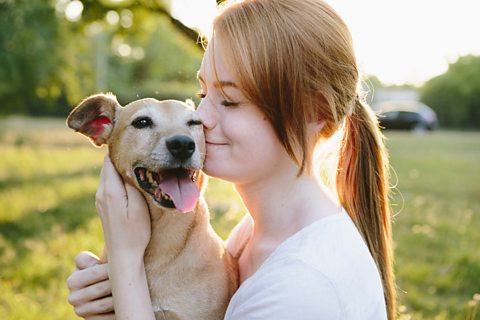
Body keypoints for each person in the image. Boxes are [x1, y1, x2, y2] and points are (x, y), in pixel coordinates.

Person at [66, 0, 396, 319]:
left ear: (315, 112)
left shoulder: (302, 289)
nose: (200, 118)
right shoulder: (256, 231)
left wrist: (125, 262)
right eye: (203, 94)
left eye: (230, 100)